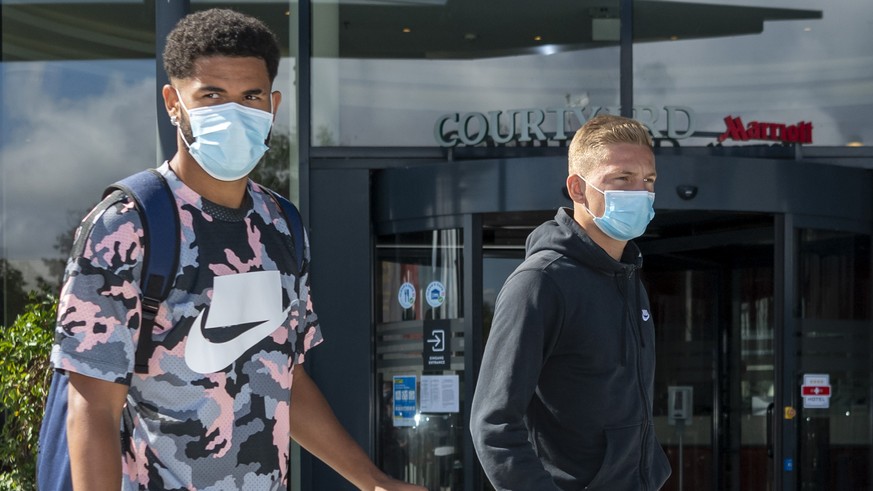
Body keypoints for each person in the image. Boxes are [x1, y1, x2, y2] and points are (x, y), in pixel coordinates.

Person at [51, 8, 425, 491]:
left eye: (250, 97)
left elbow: (281, 373)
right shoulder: (128, 226)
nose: (234, 113)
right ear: (173, 102)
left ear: (273, 104)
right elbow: (92, 406)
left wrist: (372, 481)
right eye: (211, 96)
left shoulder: (282, 226)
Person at [469, 114, 672, 490]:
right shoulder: (541, 282)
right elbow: (494, 425)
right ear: (578, 189)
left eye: (649, 180)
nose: (641, 192)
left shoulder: (628, 277)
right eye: (622, 178)